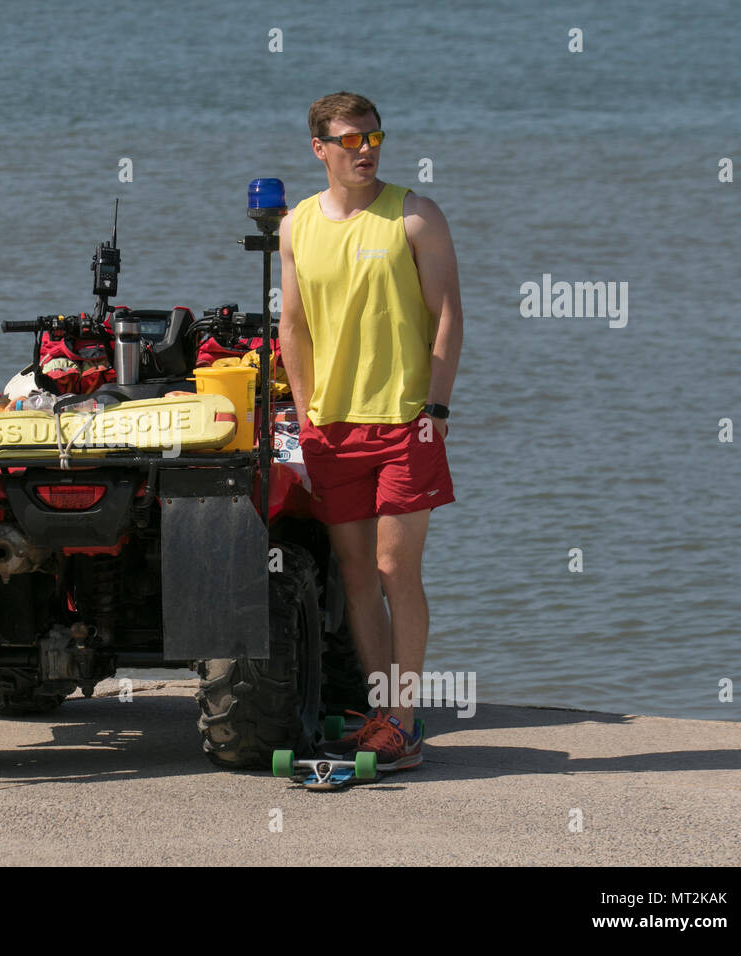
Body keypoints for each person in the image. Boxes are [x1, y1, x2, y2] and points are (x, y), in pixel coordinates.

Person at [278, 91, 463, 771]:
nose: (365, 150)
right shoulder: (296, 225)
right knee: (355, 573)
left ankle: (405, 724)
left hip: (407, 422)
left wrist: (435, 411)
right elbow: (291, 326)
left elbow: (447, 317)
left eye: (374, 138)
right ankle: (384, 714)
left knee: (393, 568)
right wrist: (303, 413)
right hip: (330, 427)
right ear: (320, 148)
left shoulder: (415, 216)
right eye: (350, 140)